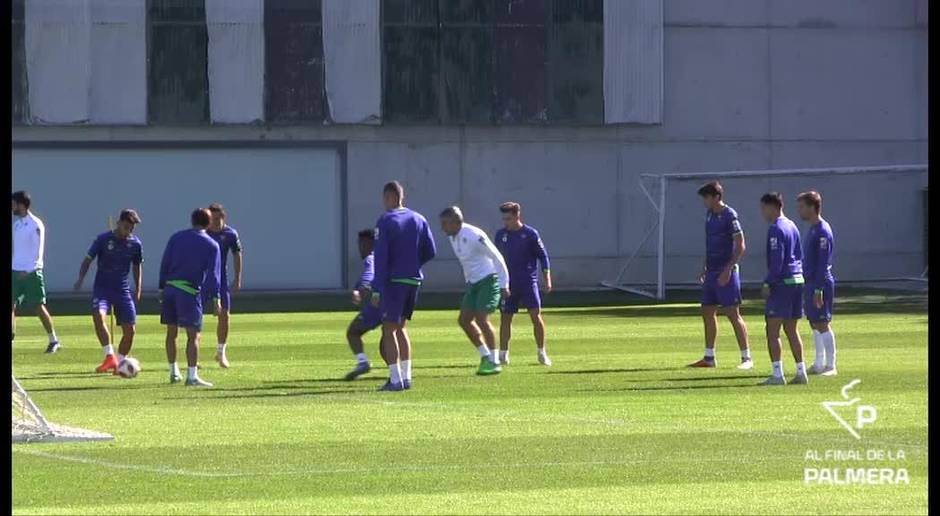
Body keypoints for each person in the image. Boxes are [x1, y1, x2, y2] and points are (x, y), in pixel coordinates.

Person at [371, 181, 437, 391]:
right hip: (413, 280)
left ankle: (395, 379)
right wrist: (413, 264)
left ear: (389, 197)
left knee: (388, 328)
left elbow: (380, 257)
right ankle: (406, 377)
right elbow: (431, 250)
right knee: (401, 327)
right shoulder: (419, 218)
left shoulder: (386, 220)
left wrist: (376, 288)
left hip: (394, 282)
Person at [440, 206, 510, 376]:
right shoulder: (453, 237)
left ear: (456, 222)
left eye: (445, 223)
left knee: (481, 318)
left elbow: (496, 256)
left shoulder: (473, 235)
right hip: (473, 284)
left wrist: (504, 283)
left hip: (489, 280)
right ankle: (485, 355)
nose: (442, 227)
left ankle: (494, 361)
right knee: (464, 320)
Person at [690, 181, 753, 369]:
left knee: (733, 313)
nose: (704, 202)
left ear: (716, 197)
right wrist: (704, 267)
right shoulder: (709, 215)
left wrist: (728, 269)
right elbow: (710, 245)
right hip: (711, 271)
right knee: (707, 311)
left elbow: (740, 245)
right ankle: (709, 357)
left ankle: (746, 358)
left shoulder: (729, 215)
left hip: (726, 272)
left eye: (707, 198)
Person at [73, 209, 143, 373]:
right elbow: (87, 260)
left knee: (130, 331)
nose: (128, 231)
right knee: (98, 316)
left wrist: (138, 287)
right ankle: (109, 355)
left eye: (131, 228)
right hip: (102, 289)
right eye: (126, 227)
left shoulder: (135, 244)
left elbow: (137, 265)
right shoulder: (103, 239)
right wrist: (80, 279)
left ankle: (119, 362)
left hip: (122, 290)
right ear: (119, 223)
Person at [159, 208, 222, 387]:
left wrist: (161, 287)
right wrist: (216, 299)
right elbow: (214, 274)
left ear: (192, 220)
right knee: (193, 335)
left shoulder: (176, 237)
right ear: (208, 223)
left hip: (170, 288)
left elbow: (165, 263)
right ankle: (192, 376)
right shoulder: (212, 245)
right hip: (188, 292)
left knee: (171, 333)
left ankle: (174, 372)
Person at [494, 202, 553, 366]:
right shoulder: (501, 235)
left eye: (508, 218)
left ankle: (542, 352)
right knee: (505, 318)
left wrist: (547, 277)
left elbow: (543, 256)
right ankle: (503, 354)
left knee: (535, 315)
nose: (506, 222)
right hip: (508, 283)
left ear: (517, 216)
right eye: (504, 219)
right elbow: (495, 259)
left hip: (527, 282)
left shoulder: (530, 234)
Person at [759, 192, 808, 386]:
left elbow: (777, 262)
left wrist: (768, 283)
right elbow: (799, 255)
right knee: (791, 329)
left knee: (772, 330)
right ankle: (800, 371)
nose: (762, 212)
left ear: (772, 206)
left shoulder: (776, 229)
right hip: (797, 280)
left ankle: (777, 374)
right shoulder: (793, 225)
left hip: (782, 283)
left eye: (763, 208)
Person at [12, 191, 61, 353]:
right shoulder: (17, 224)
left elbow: (38, 250)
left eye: (14, 203)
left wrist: (30, 269)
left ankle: (53, 340)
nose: (12, 206)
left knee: (38, 306)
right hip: (15, 271)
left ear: (21, 204)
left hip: (31, 272)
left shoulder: (35, 224)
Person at [797, 191, 837, 376]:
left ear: (813, 207)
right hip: (810, 281)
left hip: (820, 282)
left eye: (802, 206)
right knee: (814, 322)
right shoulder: (812, 229)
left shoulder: (822, 231)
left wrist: (819, 288)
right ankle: (819, 363)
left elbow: (822, 262)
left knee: (822, 322)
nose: (800, 210)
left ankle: (831, 365)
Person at [202, 203, 243, 368]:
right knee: (196, 315)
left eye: (218, 218)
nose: (216, 222)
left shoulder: (230, 234)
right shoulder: (203, 234)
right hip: (202, 279)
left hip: (221, 280)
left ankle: (221, 352)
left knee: (224, 314)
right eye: (213, 219)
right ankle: (194, 356)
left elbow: (237, 254)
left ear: (223, 218)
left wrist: (238, 278)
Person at [344, 228, 382, 380]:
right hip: (394, 300)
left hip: (378, 302)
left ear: (369, 244)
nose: (359, 248)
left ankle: (362, 362)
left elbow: (369, 274)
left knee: (353, 332)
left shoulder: (371, 258)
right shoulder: (384, 256)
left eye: (361, 243)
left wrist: (360, 290)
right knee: (393, 334)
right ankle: (399, 370)